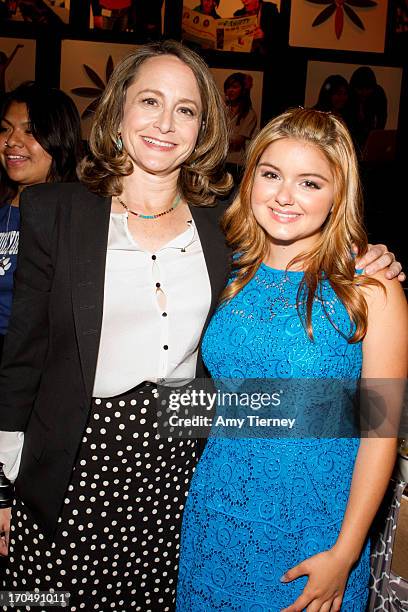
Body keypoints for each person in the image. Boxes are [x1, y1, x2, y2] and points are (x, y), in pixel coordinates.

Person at [0, 42, 402, 609]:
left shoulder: (222, 231)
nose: (166, 123)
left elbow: (369, 413)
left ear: (204, 127)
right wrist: (2, 485)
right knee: (41, 601)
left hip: (179, 471)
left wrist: (365, 258)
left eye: (185, 109)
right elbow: (21, 358)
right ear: (117, 112)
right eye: (149, 101)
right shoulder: (60, 212)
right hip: (74, 467)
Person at [176, 108, 408, 611]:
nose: (284, 196)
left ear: (337, 195)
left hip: (315, 529)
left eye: (310, 182)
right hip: (215, 515)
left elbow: (380, 432)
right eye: (271, 174)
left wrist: (345, 554)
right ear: (251, 175)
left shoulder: (370, 287)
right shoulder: (227, 265)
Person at [0, 81, 82, 360]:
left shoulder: (77, 217)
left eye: (30, 130)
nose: (11, 140)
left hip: (37, 361)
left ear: (59, 139)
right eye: (5, 128)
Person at [224, 72, 258, 183]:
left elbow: (238, 143)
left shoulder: (249, 114)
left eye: (234, 87)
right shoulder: (223, 110)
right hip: (219, 162)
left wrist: (216, 141)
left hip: (236, 165)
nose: (230, 90)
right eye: (228, 87)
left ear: (243, 90)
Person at [348, 66, 388, 152]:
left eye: (368, 89)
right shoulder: (348, 94)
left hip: (370, 133)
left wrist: (376, 138)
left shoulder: (378, 93)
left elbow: (382, 118)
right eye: (360, 89)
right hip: (351, 136)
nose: (364, 93)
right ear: (354, 87)